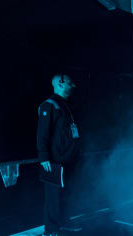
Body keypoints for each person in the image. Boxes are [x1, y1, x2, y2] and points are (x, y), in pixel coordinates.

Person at [37, 74, 80, 236]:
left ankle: (64, 222)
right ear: (60, 84)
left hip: (68, 158)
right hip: (55, 160)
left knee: (67, 192)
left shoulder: (65, 106)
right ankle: (51, 229)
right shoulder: (49, 106)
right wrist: (44, 157)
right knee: (53, 196)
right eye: (70, 83)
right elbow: (42, 134)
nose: (73, 85)